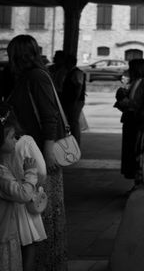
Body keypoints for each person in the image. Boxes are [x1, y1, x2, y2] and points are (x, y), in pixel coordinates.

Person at [7, 34, 68, 270]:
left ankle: (46, 263)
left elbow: (49, 114)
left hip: (41, 154)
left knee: (40, 209)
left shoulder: (36, 77)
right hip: (34, 153)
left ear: (18, 55)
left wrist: (49, 149)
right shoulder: (26, 77)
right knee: (36, 210)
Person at [0, 110, 38, 271]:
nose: (16, 140)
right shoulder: (1, 173)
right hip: (4, 234)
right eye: (11, 137)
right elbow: (23, 194)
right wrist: (30, 172)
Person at [9, 129, 47, 271]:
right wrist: (34, 183)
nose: (14, 141)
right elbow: (42, 171)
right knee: (27, 243)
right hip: (23, 201)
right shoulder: (24, 142)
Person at [114, 58, 144, 189]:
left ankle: (139, 183)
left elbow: (138, 104)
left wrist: (124, 101)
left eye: (131, 68)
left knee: (136, 151)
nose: (128, 71)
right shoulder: (136, 82)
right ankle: (136, 182)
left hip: (136, 121)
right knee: (131, 152)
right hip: (130, 120)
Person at [60, 53, 86, 146]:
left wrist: (75, 100)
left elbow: (79, 86)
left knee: (74, 122)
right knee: (72, 121)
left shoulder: (76, 72)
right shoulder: (70, 72)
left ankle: (76, 143)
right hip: (72, 100)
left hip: (75, 101)